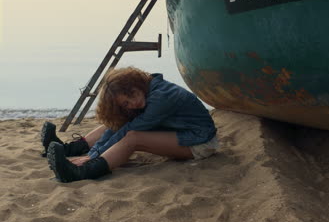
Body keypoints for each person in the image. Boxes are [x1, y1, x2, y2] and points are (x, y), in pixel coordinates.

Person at [42, 67, 218, 183]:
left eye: (132, 96)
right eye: (126, 103)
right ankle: (69, 149)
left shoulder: (161, 97)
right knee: (119, 122)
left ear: (136, 85)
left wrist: (94, 155)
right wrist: (96, 150)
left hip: (200, 143)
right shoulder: (149, 89)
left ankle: (85, 171)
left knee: (133, 138)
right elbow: (120, 127)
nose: (133, 103)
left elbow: (130, 131)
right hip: (181, 134)